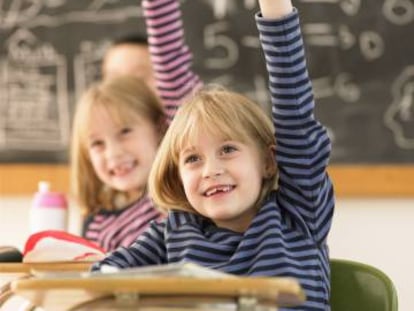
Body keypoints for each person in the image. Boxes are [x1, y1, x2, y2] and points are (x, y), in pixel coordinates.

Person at [91, 0, 335, 310]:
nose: (211, 170)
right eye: (193, 159)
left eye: (228, 150)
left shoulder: (298, 211)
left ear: (268, 161)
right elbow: (104, 277)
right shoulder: (175, 230)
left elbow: (294, 106)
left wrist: (275, 8)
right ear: (177, 175)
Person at [71, 0, 202, 252]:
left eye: (138, 77)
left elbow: (170, 59)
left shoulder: (178, 179)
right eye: (114, 78)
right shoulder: (97, 222)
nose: (114, 153)